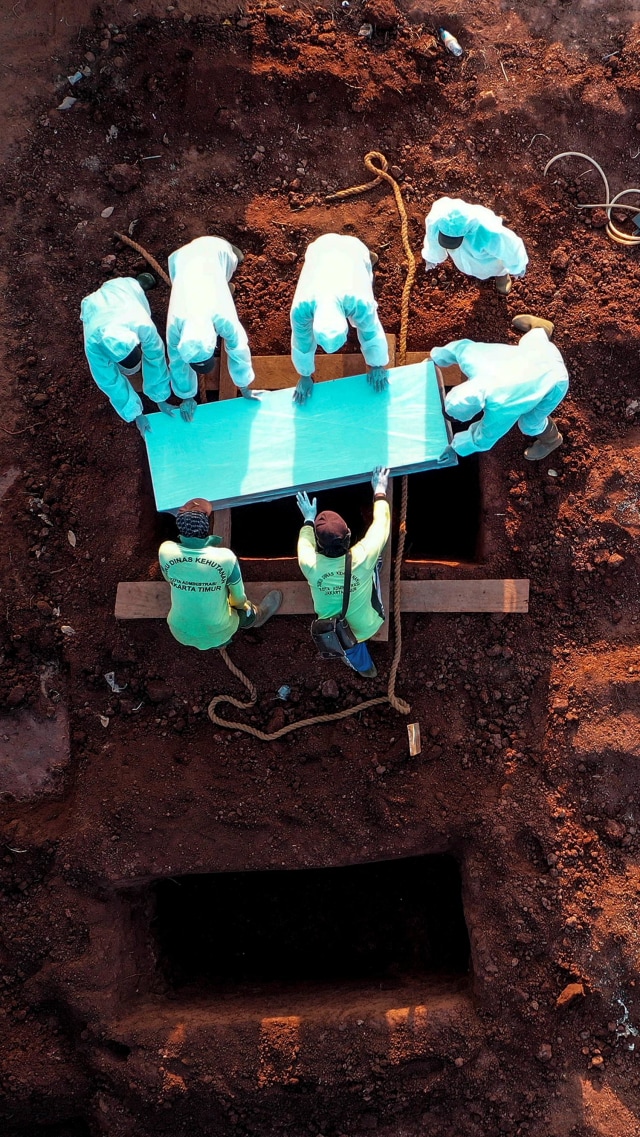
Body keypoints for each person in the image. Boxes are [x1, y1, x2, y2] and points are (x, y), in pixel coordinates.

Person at [431, 314, 568, 461]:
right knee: (530, 342)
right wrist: (435, 359)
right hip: (541, 353)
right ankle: (540, 328)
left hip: (555, 380)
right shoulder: (473, 359)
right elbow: (458, 348)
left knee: (529, 424)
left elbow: (484, 437)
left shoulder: (501, 406)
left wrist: (455, 448)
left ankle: (552, 440)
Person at [296, 467, 390, 678]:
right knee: (373, 564)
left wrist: (309, 519)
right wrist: (380, 491)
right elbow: (382, 525)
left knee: (352, 647)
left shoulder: (309, 562)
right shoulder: (364, 555)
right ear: (349, 535)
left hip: (339, 634)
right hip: (369, 624)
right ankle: (366, 669)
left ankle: (366, 670)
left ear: (319, 545)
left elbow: (304, 542)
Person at [159, 498, 282, 650]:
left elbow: (168, 578)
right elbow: (238, 599)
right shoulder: (225, 558)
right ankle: (258, 617)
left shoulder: (165, 551)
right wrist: (242, 606)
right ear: (206, 528)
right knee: (245, 611)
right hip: (220, 630)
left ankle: (217, 642)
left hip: (179, 631)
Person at [81, 275, 190, 436]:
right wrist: (135, 414)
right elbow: (109, 381)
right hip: (94, 308)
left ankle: (142, 282)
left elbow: (155, 356)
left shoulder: (141, 322)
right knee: (114, 374)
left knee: (136, 287)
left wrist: (160, 398)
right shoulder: (93, 345)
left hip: (122, 288)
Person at [290, 233, 389, 404]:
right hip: (318, 249)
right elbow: (301, 342)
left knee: (363, 276)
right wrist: (304, 374)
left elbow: (371, 332)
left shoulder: (359, 302)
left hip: (354, 249)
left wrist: (377, 364)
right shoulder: (301, 309)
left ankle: (368, 259)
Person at [167, 236, 258, 405]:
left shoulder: (222, 317)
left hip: (213, 250)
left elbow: (238, 348)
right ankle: (223, 286)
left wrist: (244, 386)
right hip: (181, 259)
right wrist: (186, 396)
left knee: (231, 261)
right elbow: (176, 360)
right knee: (198, 281)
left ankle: (226, 246)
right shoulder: (175, 325)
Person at [422, 197, 528, 295]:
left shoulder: (488, 232)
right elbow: (432, 238)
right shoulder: (439, 219)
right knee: (473, 269)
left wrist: (517, 266)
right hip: (463, 258)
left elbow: (508, 248)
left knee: (496, 269)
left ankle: (501, 277)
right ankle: (475, 274)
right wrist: (432, 256)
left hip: (488, 262)